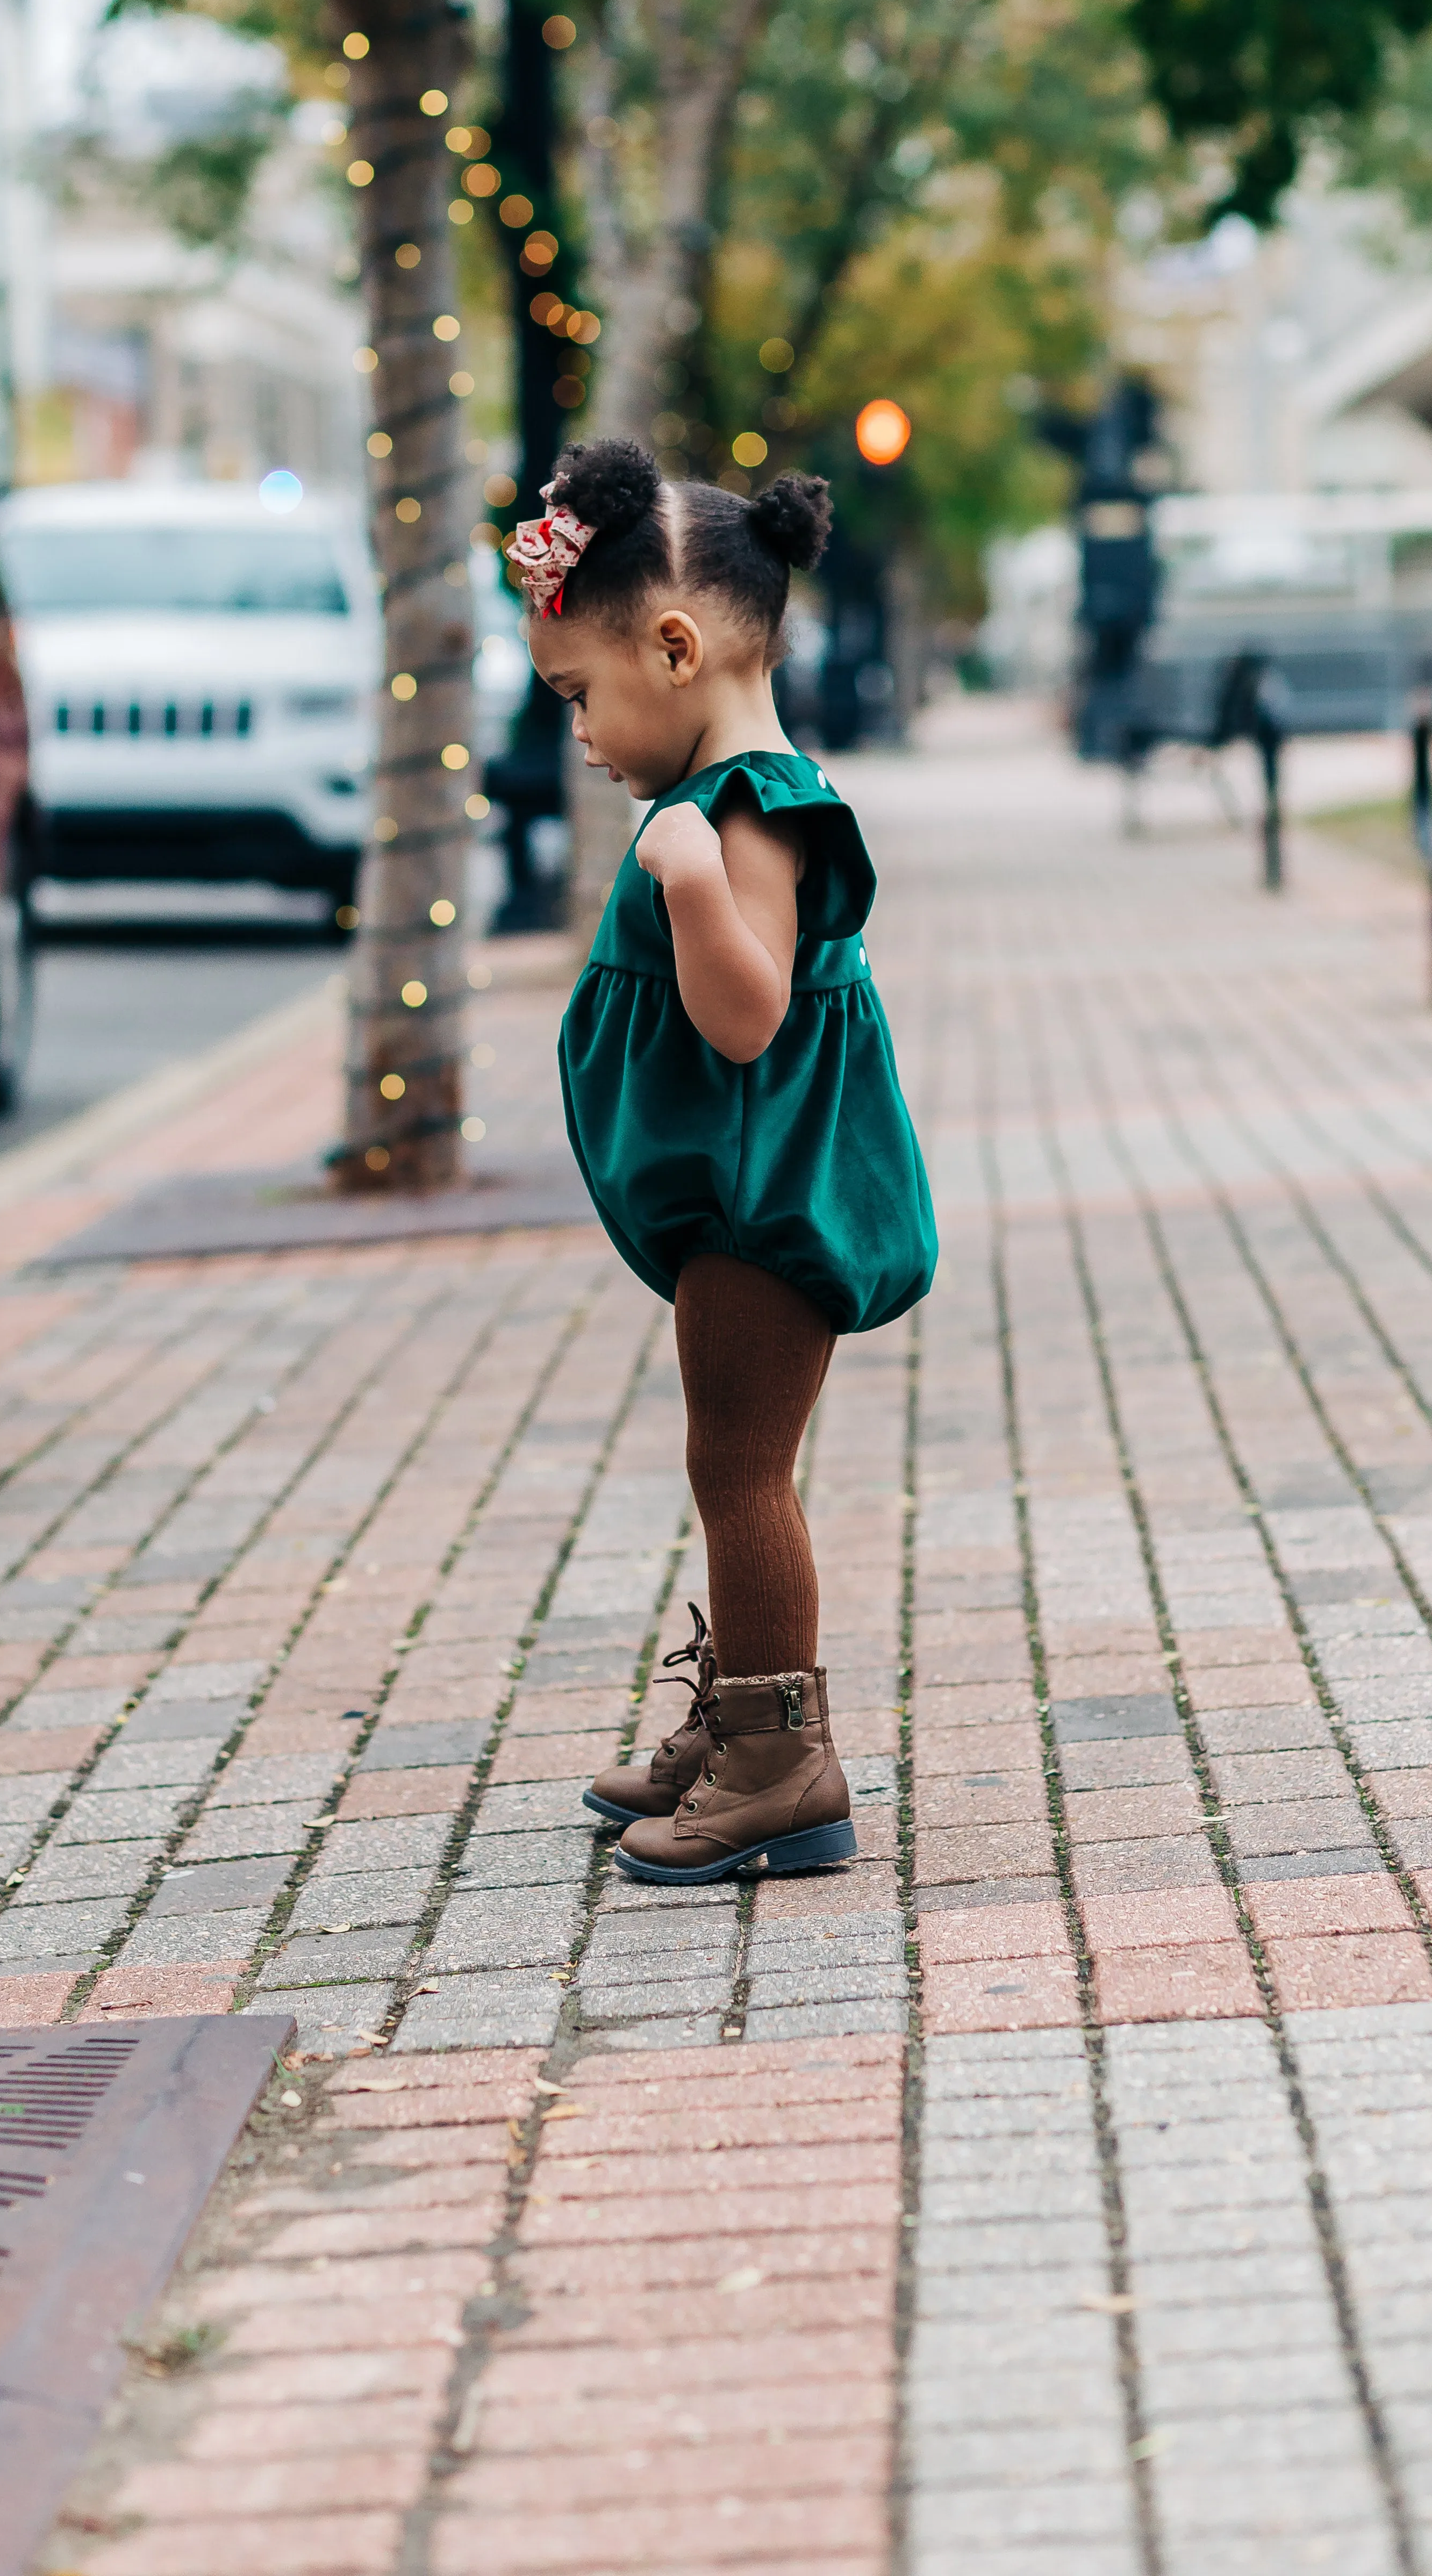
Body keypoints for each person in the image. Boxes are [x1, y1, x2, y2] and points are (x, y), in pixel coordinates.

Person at [507, 438, 936, 1884]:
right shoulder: (727, 788)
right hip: (739, 1199)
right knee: (730, 1463)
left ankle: (779, 1762)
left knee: (743, 1472)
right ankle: (737, 1723)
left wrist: (687, 879)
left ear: (674, 646)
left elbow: (746, 1018)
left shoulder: (744, 807)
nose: (575, 731)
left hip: (764, 1205)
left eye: (579, 693)